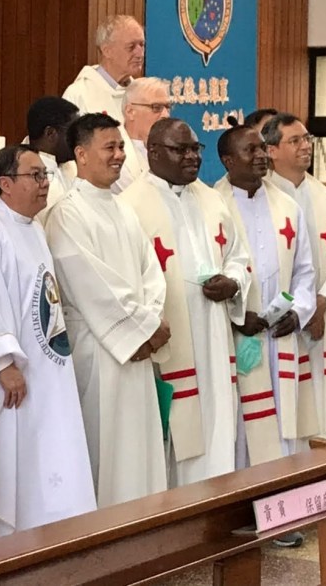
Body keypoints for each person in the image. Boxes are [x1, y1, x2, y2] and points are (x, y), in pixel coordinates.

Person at [0, 145, 96, 535]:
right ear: (5, 183)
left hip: (49, 368)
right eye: (34, 176)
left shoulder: (33, 228)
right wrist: (3, 364)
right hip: (14, 379)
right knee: (20, 465)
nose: (44, 183)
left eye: (44, 175)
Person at [44, 113, 169, 507]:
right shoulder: (67, 213)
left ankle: (145, 522)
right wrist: (142, 328)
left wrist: (150, 322)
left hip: (135, 344)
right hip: (100, 350)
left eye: (120, 147)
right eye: (109, 147)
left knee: (140, 446)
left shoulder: (123, 209)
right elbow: (91, 285)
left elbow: (152, 271)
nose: (119, 155)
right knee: (107, 448)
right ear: (81, 154)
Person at [120, 118, 250, 487]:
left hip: (213, 336)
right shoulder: (130, 206)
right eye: (181, 150)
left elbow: (238, 255)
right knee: (174, 437)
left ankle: (217, 505)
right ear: (153, 152)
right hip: (167, 341)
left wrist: (233, 282)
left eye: (196, 148)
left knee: (217, 423)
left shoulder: (212, 199)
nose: (192, 156)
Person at [215, 125, 318, 467]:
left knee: (282, 423)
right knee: (240, 426)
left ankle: (282, 487)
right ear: (228, 160)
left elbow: (305, 270)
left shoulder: (287, 206)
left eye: (262, 148)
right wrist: (235, 315)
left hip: (278, 335)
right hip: (234, 335)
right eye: (251, 150)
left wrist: (298, 312)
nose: (261, 156)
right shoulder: (212, 206)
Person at [264, 113, 326, 442]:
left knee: (324, 406)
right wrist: (297, 309)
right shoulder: (261, 198)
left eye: (307, 139)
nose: (306, 146)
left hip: (323, 317)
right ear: (271, 150)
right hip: (280, 322)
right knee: (286, 406)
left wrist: (321, 302)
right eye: (295, 140)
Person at [62, 15, 145, 123]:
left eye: (142, 45)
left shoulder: (141, 94)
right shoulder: (79, 94)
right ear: (107, 51)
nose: (140, 54)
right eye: (131, 47)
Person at [24, 96, 79, 224]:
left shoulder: (69, 165)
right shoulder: (28, 175)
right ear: (50, 133)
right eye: (73, 133)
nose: (79, 140)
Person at [114, 77, 173, 193]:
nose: (166, 115)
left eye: (167, 107)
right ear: (130, 112)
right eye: (156, 108)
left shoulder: (170, 148)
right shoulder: (112, 152)